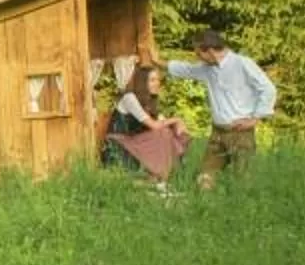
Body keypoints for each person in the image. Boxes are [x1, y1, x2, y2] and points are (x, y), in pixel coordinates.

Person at [167, 29, 277, 191]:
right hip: (217, 134)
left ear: (210, 51)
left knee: (242, 179)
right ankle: (204, 210)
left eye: (199, 54)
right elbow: (186, 69)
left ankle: (240, 211)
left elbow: (268, 89)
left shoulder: (242, 63)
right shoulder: (208, 68)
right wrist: (156, 62)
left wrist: (255, 118)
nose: (198, 58)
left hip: (240, 134)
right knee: (204, 177)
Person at [100, 58, 191, 189]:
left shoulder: (150, 102)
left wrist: (178, 127)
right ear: (142, 82)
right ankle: (159, 177)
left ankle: (163, 175)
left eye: (158, 80)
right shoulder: (129, 98)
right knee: (162, 132)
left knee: (167, 132)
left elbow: (162, 122)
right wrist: (177, 119)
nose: (157, 83)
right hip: (119, 146)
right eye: (152, 80)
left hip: (133, 144)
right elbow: (154, 125)